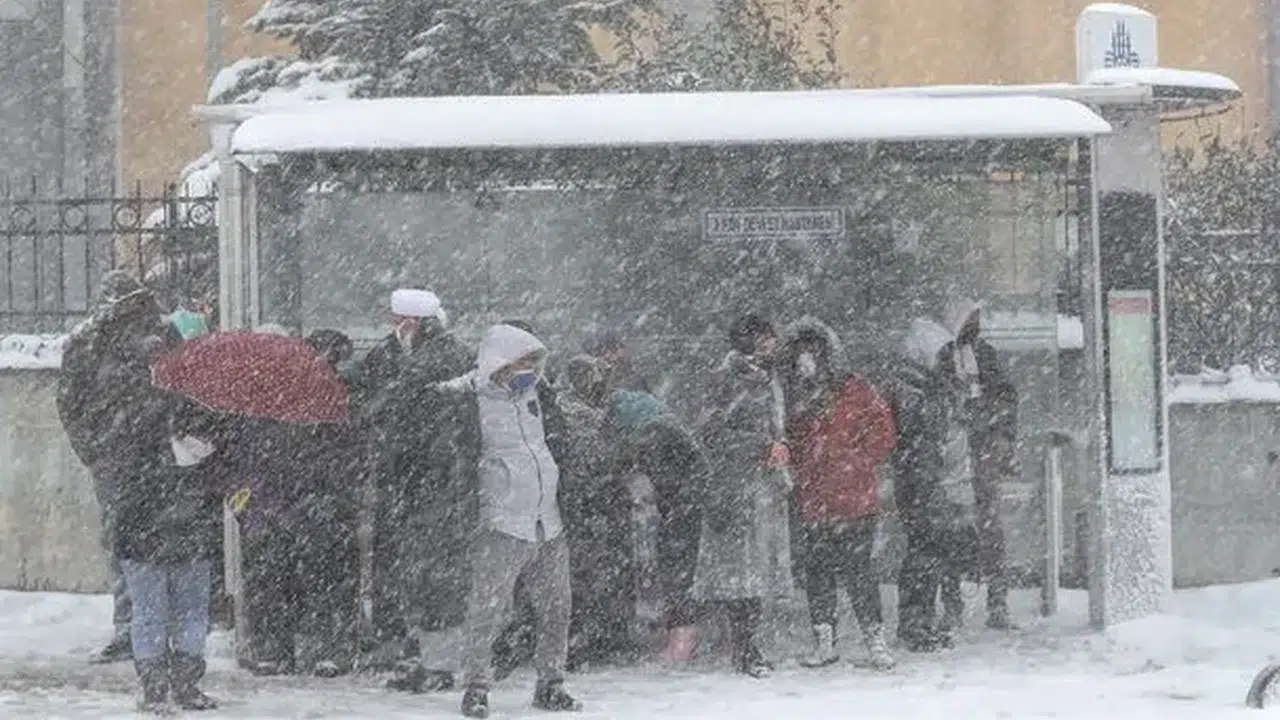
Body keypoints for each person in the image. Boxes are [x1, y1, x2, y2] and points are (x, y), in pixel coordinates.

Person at [443, 323, 581, 719]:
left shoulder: (540, 395)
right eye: (523, 361)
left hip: (548, 520)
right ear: (501, 360)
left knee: (557, 607)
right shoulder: (468, 399)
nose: (530, 369)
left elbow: (559, 444)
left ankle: (551, 682)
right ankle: (476, 686)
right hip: (500, 522)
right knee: (487, 609)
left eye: (534, 362)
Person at [56, 270, 179, 664]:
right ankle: (139, 625)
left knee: (139, 541)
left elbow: (73, 404)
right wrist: (95, 449)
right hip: (132, 457)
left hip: (147, 455)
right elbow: (71, 404)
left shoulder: (155, 337)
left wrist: (97, 447)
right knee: (133, 541)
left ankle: (145, 625)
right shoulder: (90, 342)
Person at [362, 289, 473, 671]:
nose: (393, 329)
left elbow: (395, 404)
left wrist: (380, 412)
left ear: (414, 323)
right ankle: (418, 648)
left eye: (397, 321)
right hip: (416, 475)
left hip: (432, 477)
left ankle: (433, 657)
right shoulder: (414, 355)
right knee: (418, 565)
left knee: (430, 568)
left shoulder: (439, 358)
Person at [781, 318, 897, 670]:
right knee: (819, 574)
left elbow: (884, 431)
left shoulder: (855, 389)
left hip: (853, 498)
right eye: (800, 351)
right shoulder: (793, 398)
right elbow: (791, 443)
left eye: (812, 350)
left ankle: (874, 639)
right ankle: (825, 639)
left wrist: (858, 460)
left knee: (859, 572)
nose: (807, 359)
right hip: (816, 500)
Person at [114, 347, 223, 712]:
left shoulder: (129, 420)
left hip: (150, 537)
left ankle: (158, 688)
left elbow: (124, 484)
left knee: (153, 613)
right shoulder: (198, 416)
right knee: (184, 613)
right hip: (181, 538)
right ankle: (181, 685)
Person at [691, 313, 794, 678]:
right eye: (767, 336)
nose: (774, 343)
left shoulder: (772, 377)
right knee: (741, 573)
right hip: (736, 488)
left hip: (765, 488)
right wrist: (761, 446)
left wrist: (778, 448)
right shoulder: (727, 379)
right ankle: (746, 647)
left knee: (758, 571)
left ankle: (748, 644)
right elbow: (710, 432)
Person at [893, 313, 981, 652]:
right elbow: (923, 440)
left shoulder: (929, 388)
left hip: (934, 482)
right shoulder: (916, 393)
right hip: (925, 483)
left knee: (932, 554)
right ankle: (916, 623)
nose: (947, 360)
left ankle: (922, 621)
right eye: (942, 354)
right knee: (924, 554)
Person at [935, 299, 1019, 631]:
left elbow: (1006, 397)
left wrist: (1002, 434)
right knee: (952, 528)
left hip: (981, 451)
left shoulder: (986, 355)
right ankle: (952, 602)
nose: (977, 324)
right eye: (971, 317)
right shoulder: (943, 357)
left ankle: (997, 602)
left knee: (990, 528)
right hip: (953, 454)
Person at [611, 389, 709, 664]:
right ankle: (684, 637)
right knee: (682, 573)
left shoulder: (656, 433)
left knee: (679, 573)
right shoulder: (670, 428)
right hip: (683, 508)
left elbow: (673, 473)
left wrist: (675, 498)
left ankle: (682, 642)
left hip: (680, 510)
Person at [557, 355, 633, 670]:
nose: (598, 384)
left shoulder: (600, 413)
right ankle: (583, 637)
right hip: (583, 502)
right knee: (584, 574)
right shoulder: (572, 412)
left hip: (600, 502)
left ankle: (601, 633)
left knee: (602, 571)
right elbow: (597, 456)